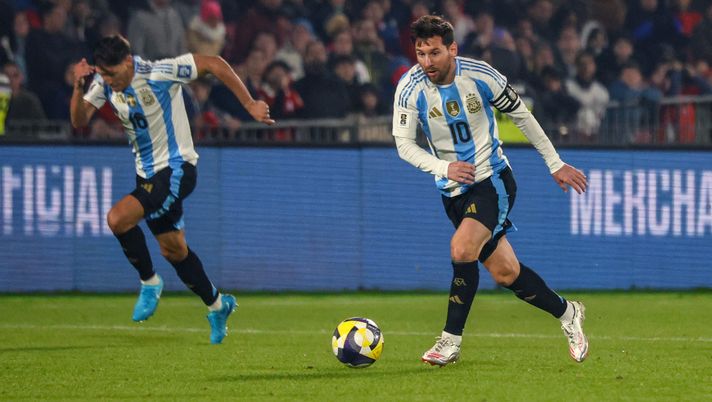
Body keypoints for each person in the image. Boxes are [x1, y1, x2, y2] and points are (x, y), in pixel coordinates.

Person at [392, 15, 589, 366]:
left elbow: (522, 116)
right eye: (420, 53)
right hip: (452, 190)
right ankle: (568, 312)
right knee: (505, 273)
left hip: (492, 181)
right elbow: (404, 145)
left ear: (452, 49)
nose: (426, 62)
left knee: (462, 247)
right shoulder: (409, 89)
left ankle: (449, 343)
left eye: (434, 53)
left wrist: (554, 162)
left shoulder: (481, 76)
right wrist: (444, 168)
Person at [69, 35, 273, 344]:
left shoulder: (158, 72)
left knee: (117, 218)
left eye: (111, 73)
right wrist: (78, 87)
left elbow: (214, 64)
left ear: (127, 62)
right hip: (148, 177)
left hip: (178, 168)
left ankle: (150, 282)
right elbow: (79, 120)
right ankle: (218, 305)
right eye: (103, 74)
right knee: (173, 249)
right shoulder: (104, 82)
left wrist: (249, 104)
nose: (108, 81)